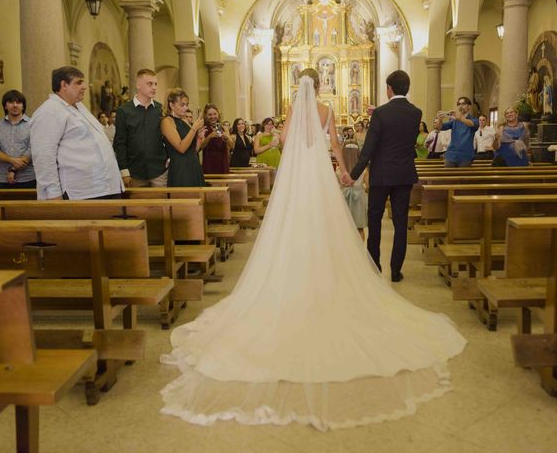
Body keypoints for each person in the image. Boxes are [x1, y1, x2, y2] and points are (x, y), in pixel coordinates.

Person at [160, 68, 466, 431]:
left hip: (297, 177)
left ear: (298, 87)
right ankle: (329, 280)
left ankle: (291, 281)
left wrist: (291, 144)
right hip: (320, 173)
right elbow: (335, 145)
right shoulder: (326, 111)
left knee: (290, 225)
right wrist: (343, 171)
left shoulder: (293, 110)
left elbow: (286, 140)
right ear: (319, 87)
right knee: (327, 224)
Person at [349, 70, 421, 282]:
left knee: (375, 220)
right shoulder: (416, 113)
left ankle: (375, 267)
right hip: (404, 174)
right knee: (401, 223)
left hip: (381, 174)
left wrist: (354, 175)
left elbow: (368, 149)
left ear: (389, 89)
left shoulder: (380, 113)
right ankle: (396, 271)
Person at [30, 66, 123, 200]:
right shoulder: (49, 111)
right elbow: (44, 156)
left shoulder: (79, 107)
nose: (84, 86)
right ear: (64, 85)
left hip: (104, 187)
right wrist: (54, 195)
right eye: (79, 82)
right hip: (83, 192)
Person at [114, 68, 168, 187]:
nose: (154, 87)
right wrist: (124, 171)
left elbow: (166, 138)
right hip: (134, 172)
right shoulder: (123, 111)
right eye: (150, 84)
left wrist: (168, 157)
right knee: (137, 206)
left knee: (161, 205)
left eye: (155, 84)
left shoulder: (161, 110)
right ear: (138, 85)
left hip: (159, 171)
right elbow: (120, 143)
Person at [160, 88, 206, 187]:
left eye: (187, 104)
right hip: (181, 169)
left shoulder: (184, 121)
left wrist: (199, 137)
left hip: (193, 165)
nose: (185, 108)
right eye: (182, 105)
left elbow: (194, 150)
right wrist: (194, 128)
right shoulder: (167, 122)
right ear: (171, 105)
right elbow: (181, 148)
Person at [0, 90, 36, 189]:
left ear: (23, 106)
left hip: (27, 178)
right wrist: (12, 160)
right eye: (11, 102)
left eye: (18, 102)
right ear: (5, 106)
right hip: (2, 178)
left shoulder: (33, 124)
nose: (15, 105)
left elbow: (32, 149)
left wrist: (13, 169)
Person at [438, 96, 479, 167]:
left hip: (465, 155)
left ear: (469, 106)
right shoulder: (454, 120)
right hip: (451, 154)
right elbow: (440, 127)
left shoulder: (474, 119)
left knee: (463, 177)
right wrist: (439, 120)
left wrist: (459, 118)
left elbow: (471, 124)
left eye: (463, 104)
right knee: (447, 177)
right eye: (459, 104)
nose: (460, 106)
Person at [339, 142, 368, 239]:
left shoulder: (340, 169)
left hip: (343, 197)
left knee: (343, 227)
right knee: (359, 228)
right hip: (359, 198)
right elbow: (368, 187)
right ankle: (359, 252)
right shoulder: (364, 170)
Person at [199, 104, 233, 174]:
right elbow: (201, 146)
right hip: (209, 162)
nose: (213, 117)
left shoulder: (224, 128)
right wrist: (210, 136)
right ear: (206, 116)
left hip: (222, 161)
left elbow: (232, 145)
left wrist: (226, 138)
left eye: (215, 114)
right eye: (210, 114)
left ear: (218, 115)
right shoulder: (203, 128)